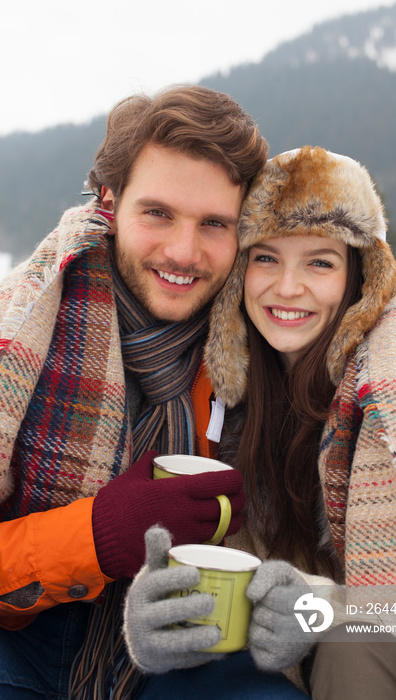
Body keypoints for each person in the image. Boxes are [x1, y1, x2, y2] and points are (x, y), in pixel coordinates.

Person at [124, 146, 396, 699]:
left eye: (320, 262)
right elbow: (240, 600)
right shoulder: (224, 408)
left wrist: (318, 610)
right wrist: (160, 624)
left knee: (385, 650)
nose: (286, 287)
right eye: (265, 258)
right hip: (316, 680)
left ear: (361, 277)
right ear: (239, 274)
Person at [0, 84, 272, 699]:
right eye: (157, 213)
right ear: (109, 200)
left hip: (183, 637)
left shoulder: (256, 340)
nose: (184, 251)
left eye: (214, 224)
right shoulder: (21, 330)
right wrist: (96, 535)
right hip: (18, 636)